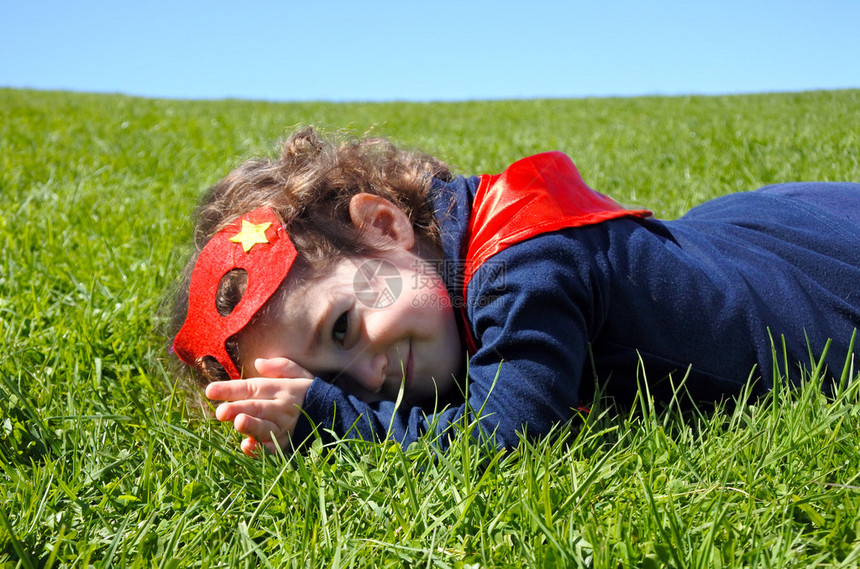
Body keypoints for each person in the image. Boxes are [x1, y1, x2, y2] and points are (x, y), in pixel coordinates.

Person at [170, 127, 860, 456]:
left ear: (384, 226)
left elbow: (507, 433)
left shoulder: (520, 263)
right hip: (736, 233)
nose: (372, 377)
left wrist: (332, 419)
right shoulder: (453, 258)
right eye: (336, 383)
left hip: (822, 271)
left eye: (344, 328)